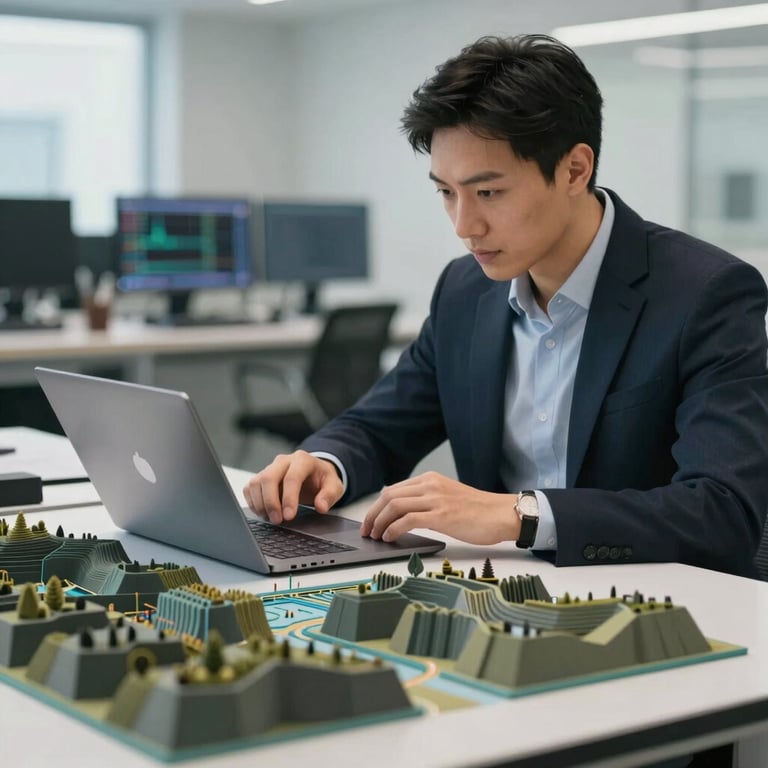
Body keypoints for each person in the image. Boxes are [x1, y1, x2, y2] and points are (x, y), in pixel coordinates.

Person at [243, 33, 768, 579]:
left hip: (655, 600)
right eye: (446, 192)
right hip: (497, 592)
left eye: (488, 193)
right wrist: (322, 463)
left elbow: (723, 512)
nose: (464, 225)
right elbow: (378, 428)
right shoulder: (465, 290)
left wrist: (518, 515)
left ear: (574, 170)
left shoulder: (705, 293)